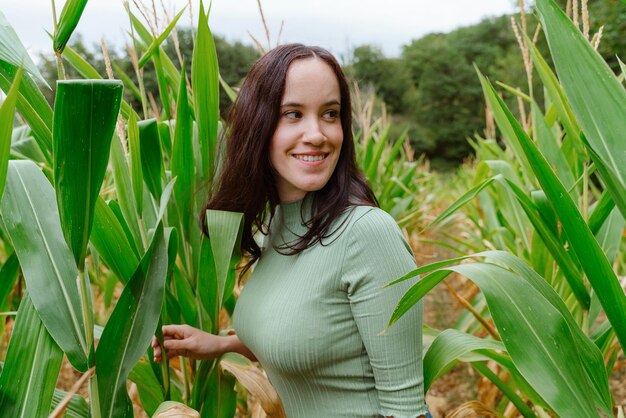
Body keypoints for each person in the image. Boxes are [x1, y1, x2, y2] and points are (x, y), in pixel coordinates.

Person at [153, 44, 429, 418]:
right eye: (293, 114)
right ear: (259, 127)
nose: (316, 134)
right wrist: (219, 344)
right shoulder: (275, 228)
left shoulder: (367, 234)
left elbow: (406, 410)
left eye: (330, 114)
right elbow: (310, 340)